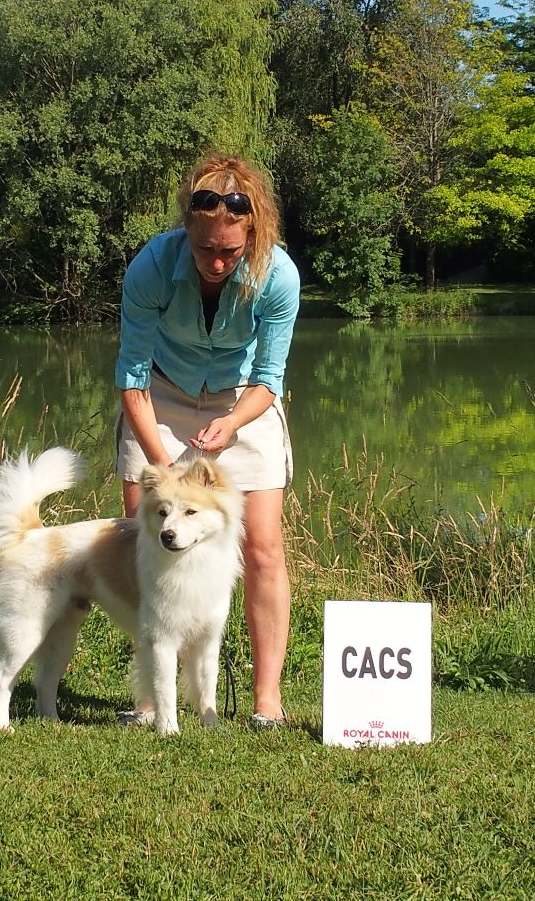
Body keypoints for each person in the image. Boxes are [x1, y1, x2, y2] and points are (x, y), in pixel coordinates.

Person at [114, 151, 300, 728]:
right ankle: (151, 701)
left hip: (242, 400)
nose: (216, 263)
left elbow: (270, 380)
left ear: (253, 232)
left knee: (263, 548)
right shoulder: (150, 267)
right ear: (186, 232)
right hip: (160, 398)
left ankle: (266, 701)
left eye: (230, 251)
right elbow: (131, 379)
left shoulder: (279, 276)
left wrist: (233, 424)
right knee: (146, 544)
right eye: (204, 250)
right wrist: (162, 461)